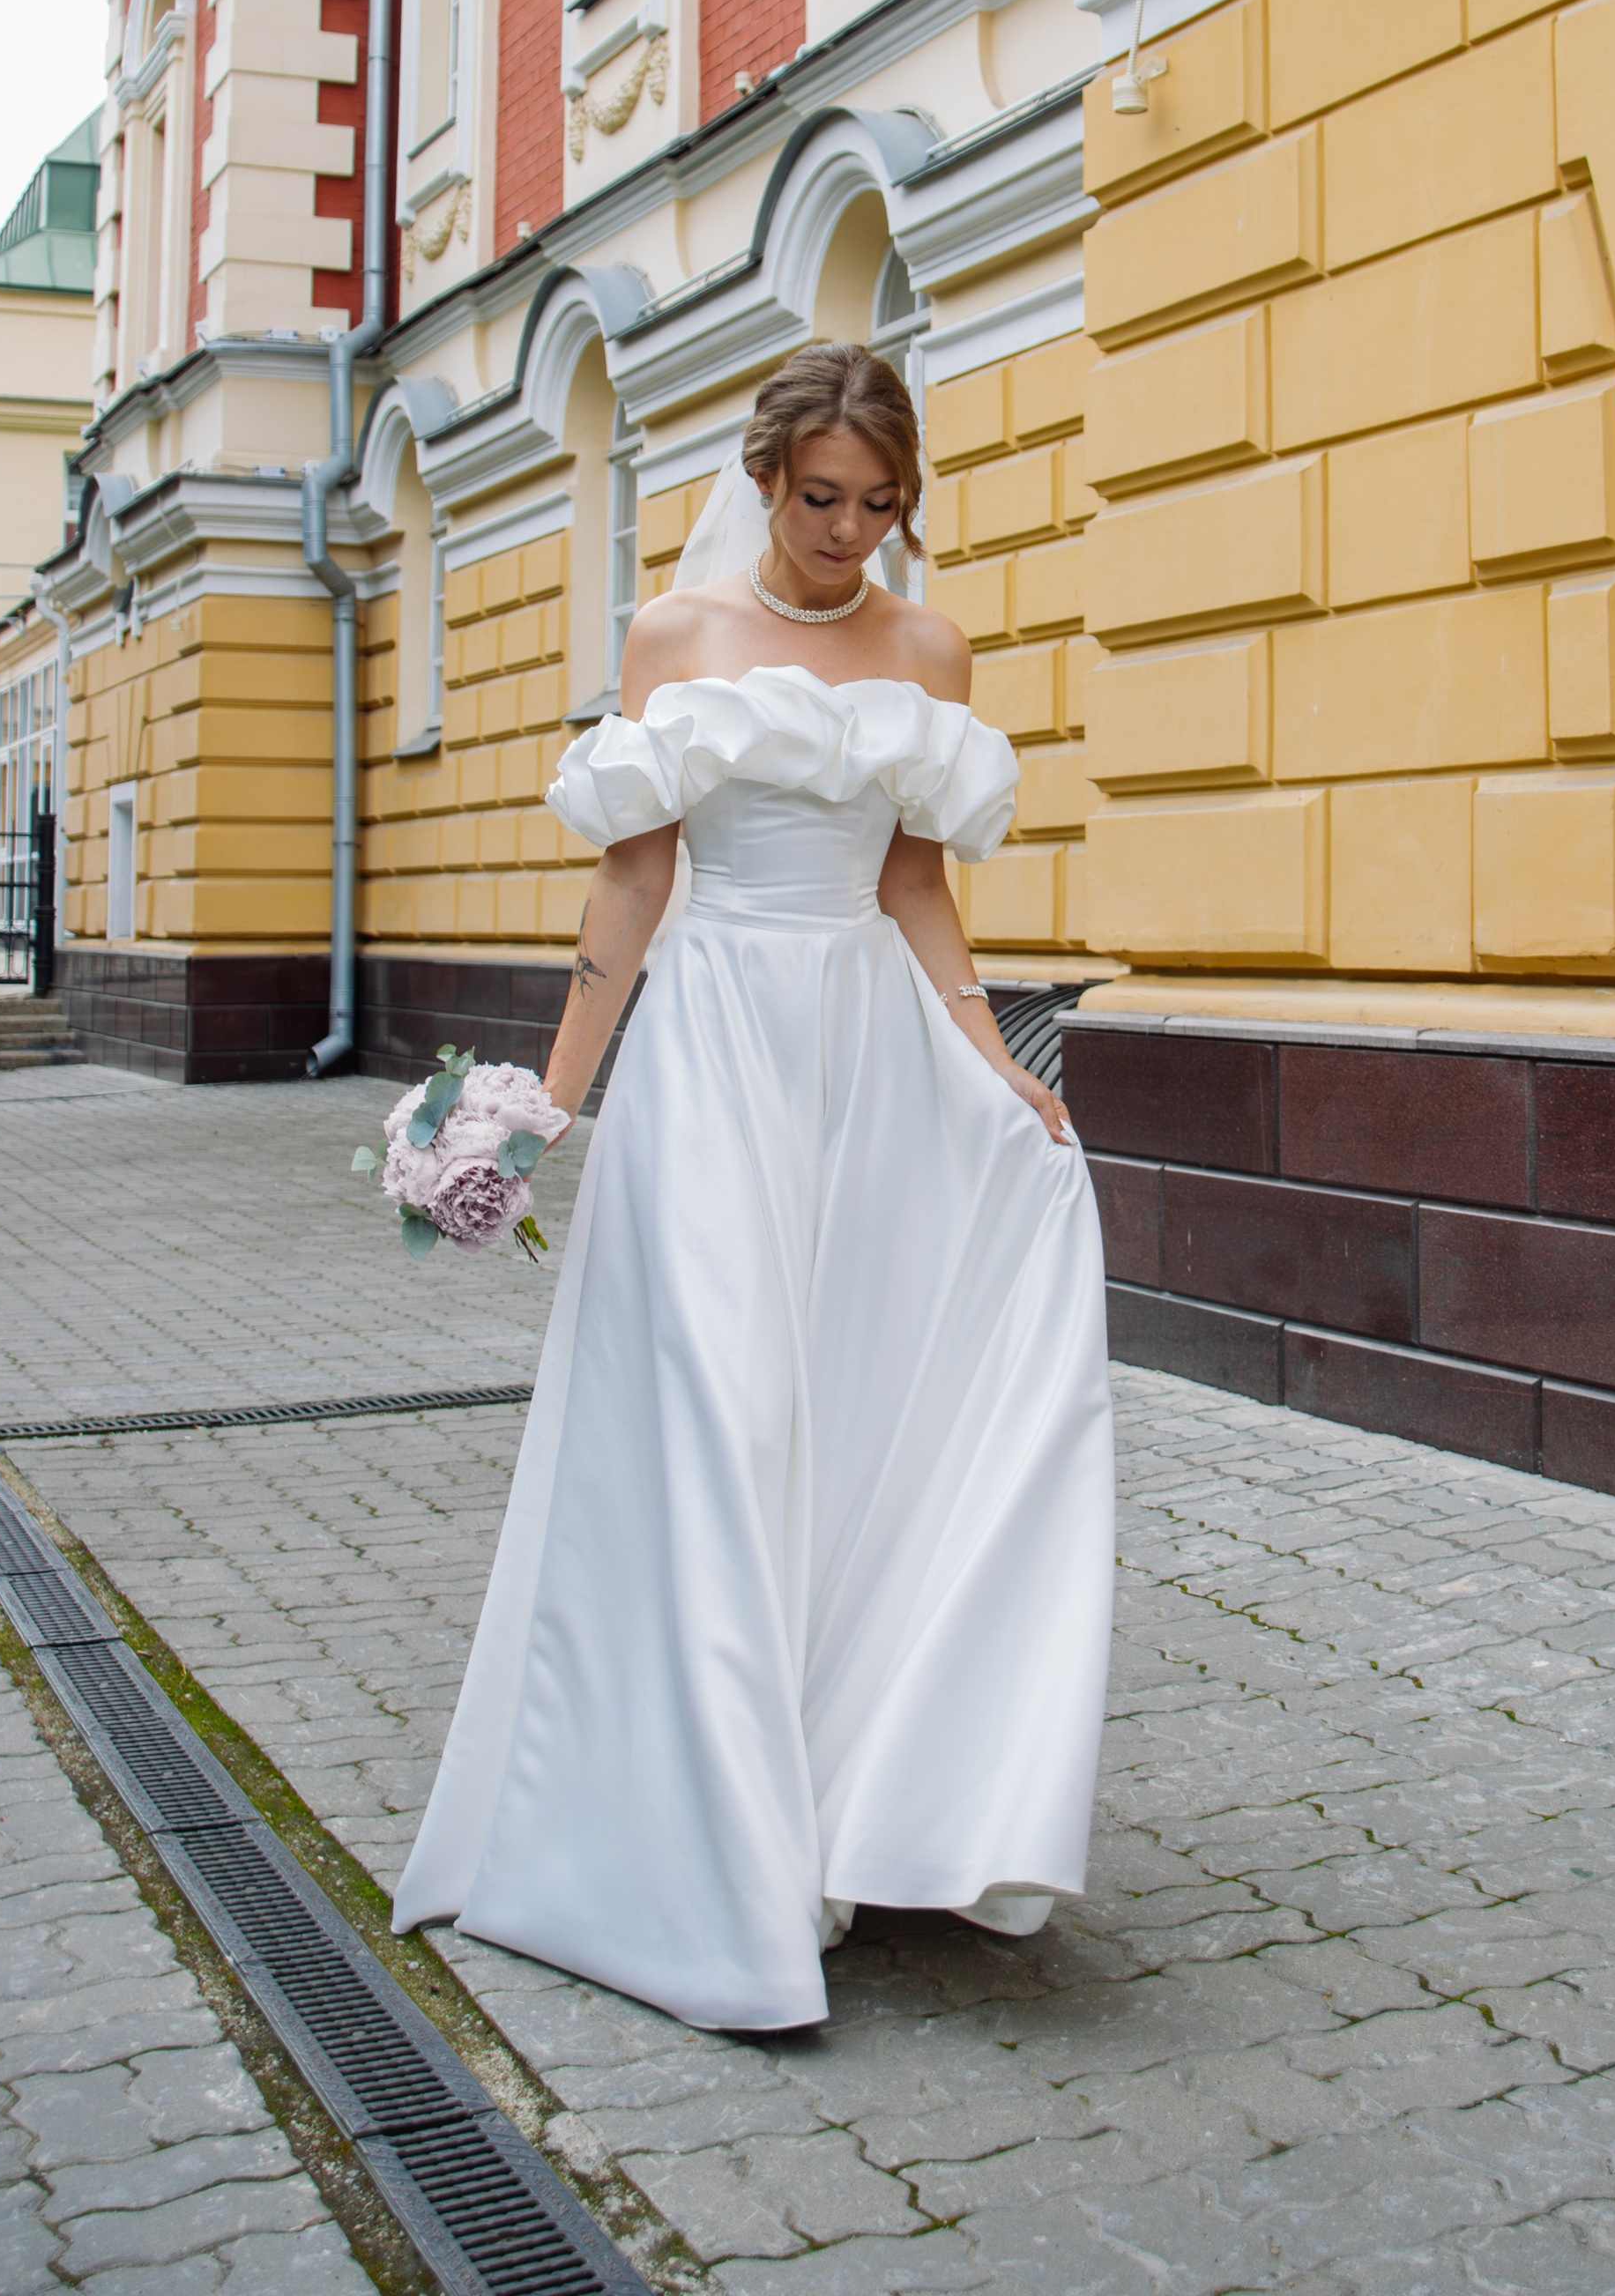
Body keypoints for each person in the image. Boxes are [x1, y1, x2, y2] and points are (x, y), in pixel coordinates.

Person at [391, 341, 1114, 2032]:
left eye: (878, 506)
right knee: (722, 1418)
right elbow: (632, 889)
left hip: (866, 1049)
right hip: (714, 1048)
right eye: (818, 501)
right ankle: (713, 1865)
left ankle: (859, 1794)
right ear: (766, 476)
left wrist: (993, 1053)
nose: (846, 535)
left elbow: (919, 877)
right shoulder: (677, 637)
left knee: (851, 1414)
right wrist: (537, 1115)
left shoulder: (927, 645)